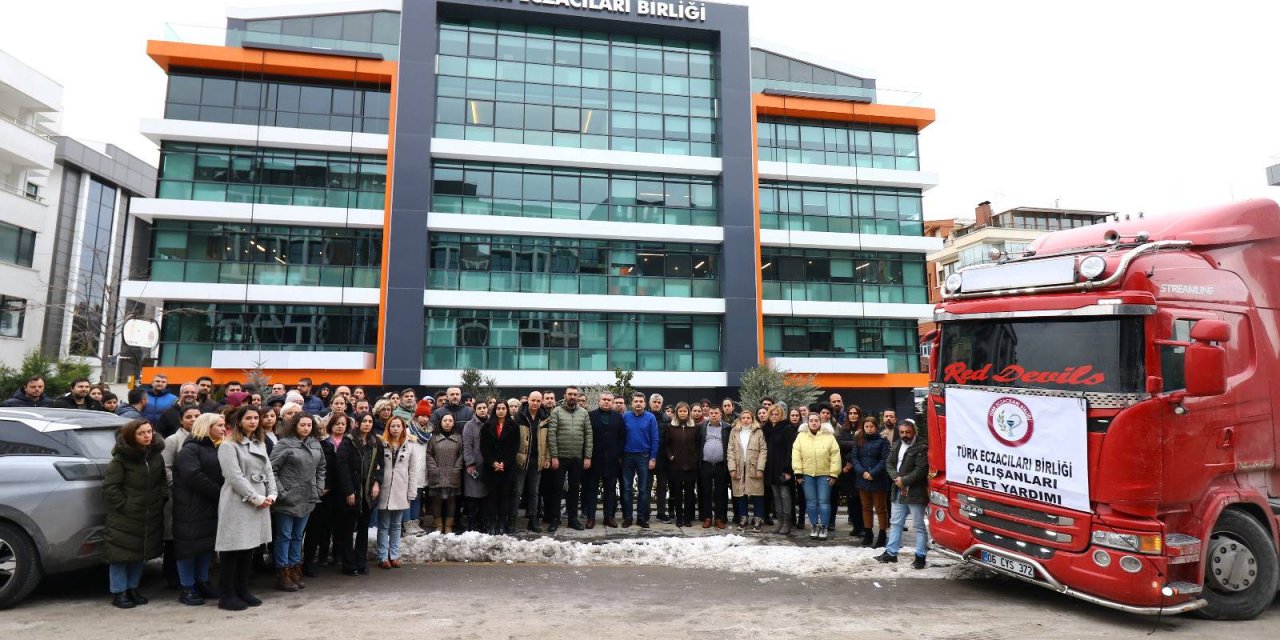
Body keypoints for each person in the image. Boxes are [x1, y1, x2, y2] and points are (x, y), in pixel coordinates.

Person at [215, 406, 276, 611]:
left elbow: (268, 470)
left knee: (248, 547)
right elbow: (234, 476)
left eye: (256, 418)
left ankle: (242, 589)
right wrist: (255, 498)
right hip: (237, 500)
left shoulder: (259, 443)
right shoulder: (228, 446)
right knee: (232, 548)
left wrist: (272, 493)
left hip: (259, 499)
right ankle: (227, 594)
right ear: (239, 421)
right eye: (248, 418)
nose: (253, 421)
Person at [102, 419, 166, 609]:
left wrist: (161, 498)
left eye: (149, 432)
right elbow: (110, 487)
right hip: (125, 516)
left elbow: (162, 480)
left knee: (140, 553)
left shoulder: (155, 455)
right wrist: (124, 505)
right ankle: (119, 591)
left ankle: (132, 588)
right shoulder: (121, 459)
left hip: (149, 513)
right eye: (141, 433)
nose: (147, 436)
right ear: (132, 436)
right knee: (120, 555)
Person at [172, 413, 225, 606]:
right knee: (188, 548)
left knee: (206, 546)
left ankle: (202, 581)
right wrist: (220, 493)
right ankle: (187, 586)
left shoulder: (217, 447)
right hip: (191, 507)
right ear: (207, 427)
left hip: (210, 505)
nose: (224, 429)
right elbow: (193, 476)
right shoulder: (190, 450)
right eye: (219, 425)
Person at [270, 413, 325, 591]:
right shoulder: (284, 444)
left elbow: (321, 467)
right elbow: (271, 470)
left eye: (309, 425)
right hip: (287, 498)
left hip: (307, 497)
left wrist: (319, 487)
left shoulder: (315, 444)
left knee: (297, 536)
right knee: (284, 535)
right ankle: (282, 572)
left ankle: (295, 568)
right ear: (295, 425)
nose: (306, 428)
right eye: (303, 425)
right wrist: (282, 493)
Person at [876, 419, 930, 569]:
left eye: (908, 432)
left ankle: (920, 556)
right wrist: (896, 478)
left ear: (914, 431)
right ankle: (891, 553)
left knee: (918, 525)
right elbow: (889, 463)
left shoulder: (922, 447)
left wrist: (904, 481)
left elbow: (921, 469)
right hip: (898, 489)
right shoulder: (897, 444)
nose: (905, 435)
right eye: (902, 432)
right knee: (895, 522)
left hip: (915, 491)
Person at [336, 413, 383, 575]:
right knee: (348, 529)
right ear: (357, 423)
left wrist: (377, 483)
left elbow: (381, 466)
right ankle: (348, 564)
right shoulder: (348, 442)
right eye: (364, 421)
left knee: (364, 528)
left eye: (370, 421)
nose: (367, 424)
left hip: (368, 492)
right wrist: (349, 491)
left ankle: (361, 562)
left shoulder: (375, 442)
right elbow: (342, 467)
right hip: (353, 490)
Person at [161, 405, 202, 589]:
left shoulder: (205, 438)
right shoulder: (173, 440)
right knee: (174, 538)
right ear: (181, 420)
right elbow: (165, 467)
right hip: (177, 496)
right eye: (189, 417)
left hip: (199, 498)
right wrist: (177, 487)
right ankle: (172, 576)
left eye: (197, 416)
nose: (193, 420)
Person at [305, 413, 347, 576]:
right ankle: (320, 557)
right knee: (321, 525)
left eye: (343, 424)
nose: (340, 426)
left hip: (337, 490)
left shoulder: (339, 444)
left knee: (337, 523)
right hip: (319, 490)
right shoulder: (318, 444)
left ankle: (335, 555)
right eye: (337, 424)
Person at [547, 386, 592, 531]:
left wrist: (587, 456)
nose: (572, 396)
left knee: (574, 489)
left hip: (577, 458)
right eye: (570, 394)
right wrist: (554, 456)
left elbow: (588, 435)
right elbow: (552, 435)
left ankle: (573, 519)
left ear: (577, 396)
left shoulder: (583, 413)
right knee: (556, 489)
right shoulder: (557, 411)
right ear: (565, 396)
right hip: (560, 458)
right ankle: (555, 519)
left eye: (575, 394)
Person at [376, 416, 418, 568]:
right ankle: (382, 556)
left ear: (403, 428)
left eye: (398, 426)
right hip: (384, 488)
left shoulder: (410, 445)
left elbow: (413, 470)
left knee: (396, 525)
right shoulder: (381, 443)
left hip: (401, 489)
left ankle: (394, 555)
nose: (395, 429)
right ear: (388, 427)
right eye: (392, 426)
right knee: (383, 525)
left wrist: (412, 491)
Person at [793, 413, 841, 540]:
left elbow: (835, 455)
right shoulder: (801, 436)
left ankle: (824, 527)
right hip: (807, 474)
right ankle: (814, 526)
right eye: (811, 421)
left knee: (824, 502)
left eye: (816, 420)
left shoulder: (829, 436)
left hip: (824, 474)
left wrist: (834, 474)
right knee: (811, 502)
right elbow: (796, 455)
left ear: (820, 422)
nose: (814, 423)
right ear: (807, 422)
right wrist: (798, 472)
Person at [584, 392, 625, 528]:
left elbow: (622, 437)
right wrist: (587, 456)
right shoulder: (590, 416)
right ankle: (590, 518)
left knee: (610, 490)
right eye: (604, 399)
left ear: (612, 402)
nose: (606, 402)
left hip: (612, 460)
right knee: (591, 490)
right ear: (599, 401)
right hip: (594, 459)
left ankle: (608, 517)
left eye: (609, 400)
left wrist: (618, 454)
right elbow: (586, 436)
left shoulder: (618, 417)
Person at [480, 401, 520, 534]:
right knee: (491, 497)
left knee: (505, 497)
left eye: (503, 408)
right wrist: (493, 463)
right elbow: (483, 448)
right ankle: (492, 523)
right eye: (498, 408)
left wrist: (504, 463)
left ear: (507, 410)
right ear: (495, 410)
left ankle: (502, 523)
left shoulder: (513, 426)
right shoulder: (487, 426)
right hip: (490, 468)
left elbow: (515, 447)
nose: (501, 411)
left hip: (507, 468)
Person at [620, 392, 658, 528]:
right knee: (627, 488)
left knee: (643, 489)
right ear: (632, 403)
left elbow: (655, 439)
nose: (638, 404)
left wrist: (653, 458)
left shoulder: (650, 418)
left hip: (644, 456)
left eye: (641, 401)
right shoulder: (625, 416)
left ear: (645, 404)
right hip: (627, 456)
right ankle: (628, 517)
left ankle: (641, 517)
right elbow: (620, 436)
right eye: (636, 401)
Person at [853, 416, 891, 548]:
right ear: (863, 427)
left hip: (878, 479)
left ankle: (882, 534)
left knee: (881, 508)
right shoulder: (858, 440)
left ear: (876, 427)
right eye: (866, 427)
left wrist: (873, 473)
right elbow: (855, 458)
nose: (869, 429)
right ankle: (868, 533)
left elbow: (885, 459)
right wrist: (863, 472)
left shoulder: (883, 440)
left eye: (871, 427)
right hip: (862, 479)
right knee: (866, 507)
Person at [726, 410, 767, 532]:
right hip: (739, 466)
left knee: (757, 493)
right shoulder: (734, 431)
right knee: (741, 493)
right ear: (740, 419)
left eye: (748, 418)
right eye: (743, 418)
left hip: (753, 466)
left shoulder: (758, 431)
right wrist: (732, 468)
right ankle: (743, 517)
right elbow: (730, 450)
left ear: (752, 419)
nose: (745, 420)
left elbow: (763, 450)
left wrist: (760, 468)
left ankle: (758, 518)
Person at [514, 391, 549, 532]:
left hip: (537, 459)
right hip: (521, 459)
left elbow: (548, 441)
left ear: (541, 402)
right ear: (528, 400)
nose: (535, 403)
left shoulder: (545, 418)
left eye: (538, 401)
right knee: (517, 491)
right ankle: (512, 520)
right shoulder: (519, 417)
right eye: (533, 400)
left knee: (534, 492)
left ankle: (533, 521)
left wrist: (547, 457)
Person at [425, 413, 463, 533]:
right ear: (440, 422)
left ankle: (448, 526)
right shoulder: (434, 438)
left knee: (452, 500)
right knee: (436, 500)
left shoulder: (458, 438)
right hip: (437, 473)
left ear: (453, 423)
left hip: (453, 473)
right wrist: (433, 468)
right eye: (445, 420)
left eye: (450, 421)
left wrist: (457, 467)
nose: (447, 423)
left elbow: (462, 454)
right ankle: (438, 525)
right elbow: (429, 454)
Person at [664, 402, 700, 528]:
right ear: (677, 413)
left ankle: (687, 518)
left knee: (690, 493)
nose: (683, 413)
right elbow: (666, 444)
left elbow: (698, 444)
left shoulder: (694, 427)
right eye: (680, 411)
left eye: (685, 411)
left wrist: (695, 458)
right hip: (676, 466)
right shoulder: (670, 427)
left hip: (691, 466)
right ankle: (679, 517)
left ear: (688, 412)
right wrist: (670, 456)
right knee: (677, 493)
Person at [763, 404, 796, 535]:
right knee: (776, 496)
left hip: (783, 467)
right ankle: (780, 521)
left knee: (784, 495)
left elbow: (790, 450)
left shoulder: (787, 428)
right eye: (772, 414)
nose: (774, 416)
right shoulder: (766, 429)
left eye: (777, 414)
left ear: (781, 415)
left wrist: (788, 470)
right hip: (770, 467)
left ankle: (787, 522)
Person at [696, 406, 731, 529]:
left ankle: (719, 518)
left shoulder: (727, 427)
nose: (714, 415)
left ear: (720, 414)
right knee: (706, 492)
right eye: (711, 413)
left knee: (720, 492)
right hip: (705, 464)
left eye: (716, 413)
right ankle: (707, 517)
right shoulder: (701, 427)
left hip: (721, 464)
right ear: (708, 414)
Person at [836, 406, 866, 538]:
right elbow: (839, 444)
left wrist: (850, 458)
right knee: (851, 499)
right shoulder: (844, 430)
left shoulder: (863, 429)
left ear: (859, 415)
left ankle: (863, 527)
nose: (853, 415)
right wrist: (854, 443)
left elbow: (861, 447)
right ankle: (855, 526)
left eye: (855, 413)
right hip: (847, 471)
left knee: (861, 500)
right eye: (850, 413)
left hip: (859, 469)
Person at [461, 402, 490, 533]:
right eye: (479, 408)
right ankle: (472, 523)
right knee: (473, 495)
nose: (482, 410)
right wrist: (470, 463)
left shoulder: (491, 423)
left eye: (484, 408)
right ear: (475, 410)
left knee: (486, 496)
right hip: (474, 465)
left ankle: (483, 522)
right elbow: (467, 446)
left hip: (488, 465)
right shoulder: (469, 425)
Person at [647, 393, 671, 523]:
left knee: (662, 487)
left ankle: (661, 512)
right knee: (646, 486)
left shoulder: (667, 419)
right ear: (649, 403)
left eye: (659, 402)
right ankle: (645, 511)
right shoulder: (645, 416)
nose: (656, 404)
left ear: (661, 404)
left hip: (662, 457)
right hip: (647, 456)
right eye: (654, 402)